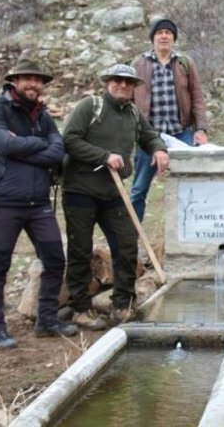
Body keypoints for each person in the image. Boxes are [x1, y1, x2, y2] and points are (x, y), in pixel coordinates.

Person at [0, 57, 77, 350]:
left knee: (55, 259)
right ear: (14, 81)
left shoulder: (43, 115)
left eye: (38, 80)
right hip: (4, 201)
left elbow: (58, 151)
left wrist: (25, 147)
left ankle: (46, 320)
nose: (34, 84)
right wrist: (39, 145)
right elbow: (4, 145)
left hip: (38, 202)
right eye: (28, 79)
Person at [62, 64, 169, 330]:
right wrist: (103, 156)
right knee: (80, 250)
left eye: (128, 83)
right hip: (80, 191)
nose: (123, 86)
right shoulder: (91, 106)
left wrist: (158, 149)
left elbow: (150, 135)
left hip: (113, 192)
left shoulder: (133, 113)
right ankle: (80, 308)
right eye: (117, 81)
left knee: (126, 243)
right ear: (108, 83)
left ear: (134, 88)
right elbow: (70, 140)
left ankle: (122, 305)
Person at [130, 18, 209, 221]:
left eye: (168, 32)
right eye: (159, 32)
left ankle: (193, 231)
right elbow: (129, 100)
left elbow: (197, 97)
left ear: (173, 38)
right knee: (138, 189)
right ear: (153, 38)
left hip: (181, 133)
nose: (164, 36)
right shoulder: (139, 64)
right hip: (149, 136)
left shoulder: (185, 63)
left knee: (193, 185)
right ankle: (131, 240)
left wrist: (200, 129)